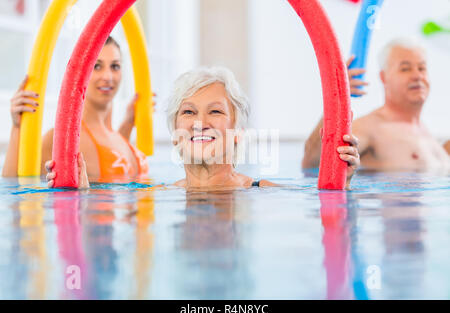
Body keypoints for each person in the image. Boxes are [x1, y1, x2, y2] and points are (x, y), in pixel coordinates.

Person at [46, 67, 360, 190]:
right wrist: (77, 197)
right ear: (174, 133)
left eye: (215, 111)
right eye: (188, 112)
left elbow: (333, 225)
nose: (199, 122)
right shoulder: (152, 196)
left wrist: (341, 186)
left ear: (238, 133)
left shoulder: (265, 192)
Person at [2, 36, 152, 182]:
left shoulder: (118, 137)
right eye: (97, 66)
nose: (107, 76)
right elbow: (14, 186)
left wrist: (128, 123)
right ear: (80, 72)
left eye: (115, 66)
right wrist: (17, 126)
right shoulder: (63, 137)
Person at [302, 38, 450, 172]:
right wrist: (335, 99)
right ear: (383, 77)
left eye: (422, 68)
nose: (417, 76)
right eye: (405, 69)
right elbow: (312, 163)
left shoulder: (429, 136)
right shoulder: (371, 128)